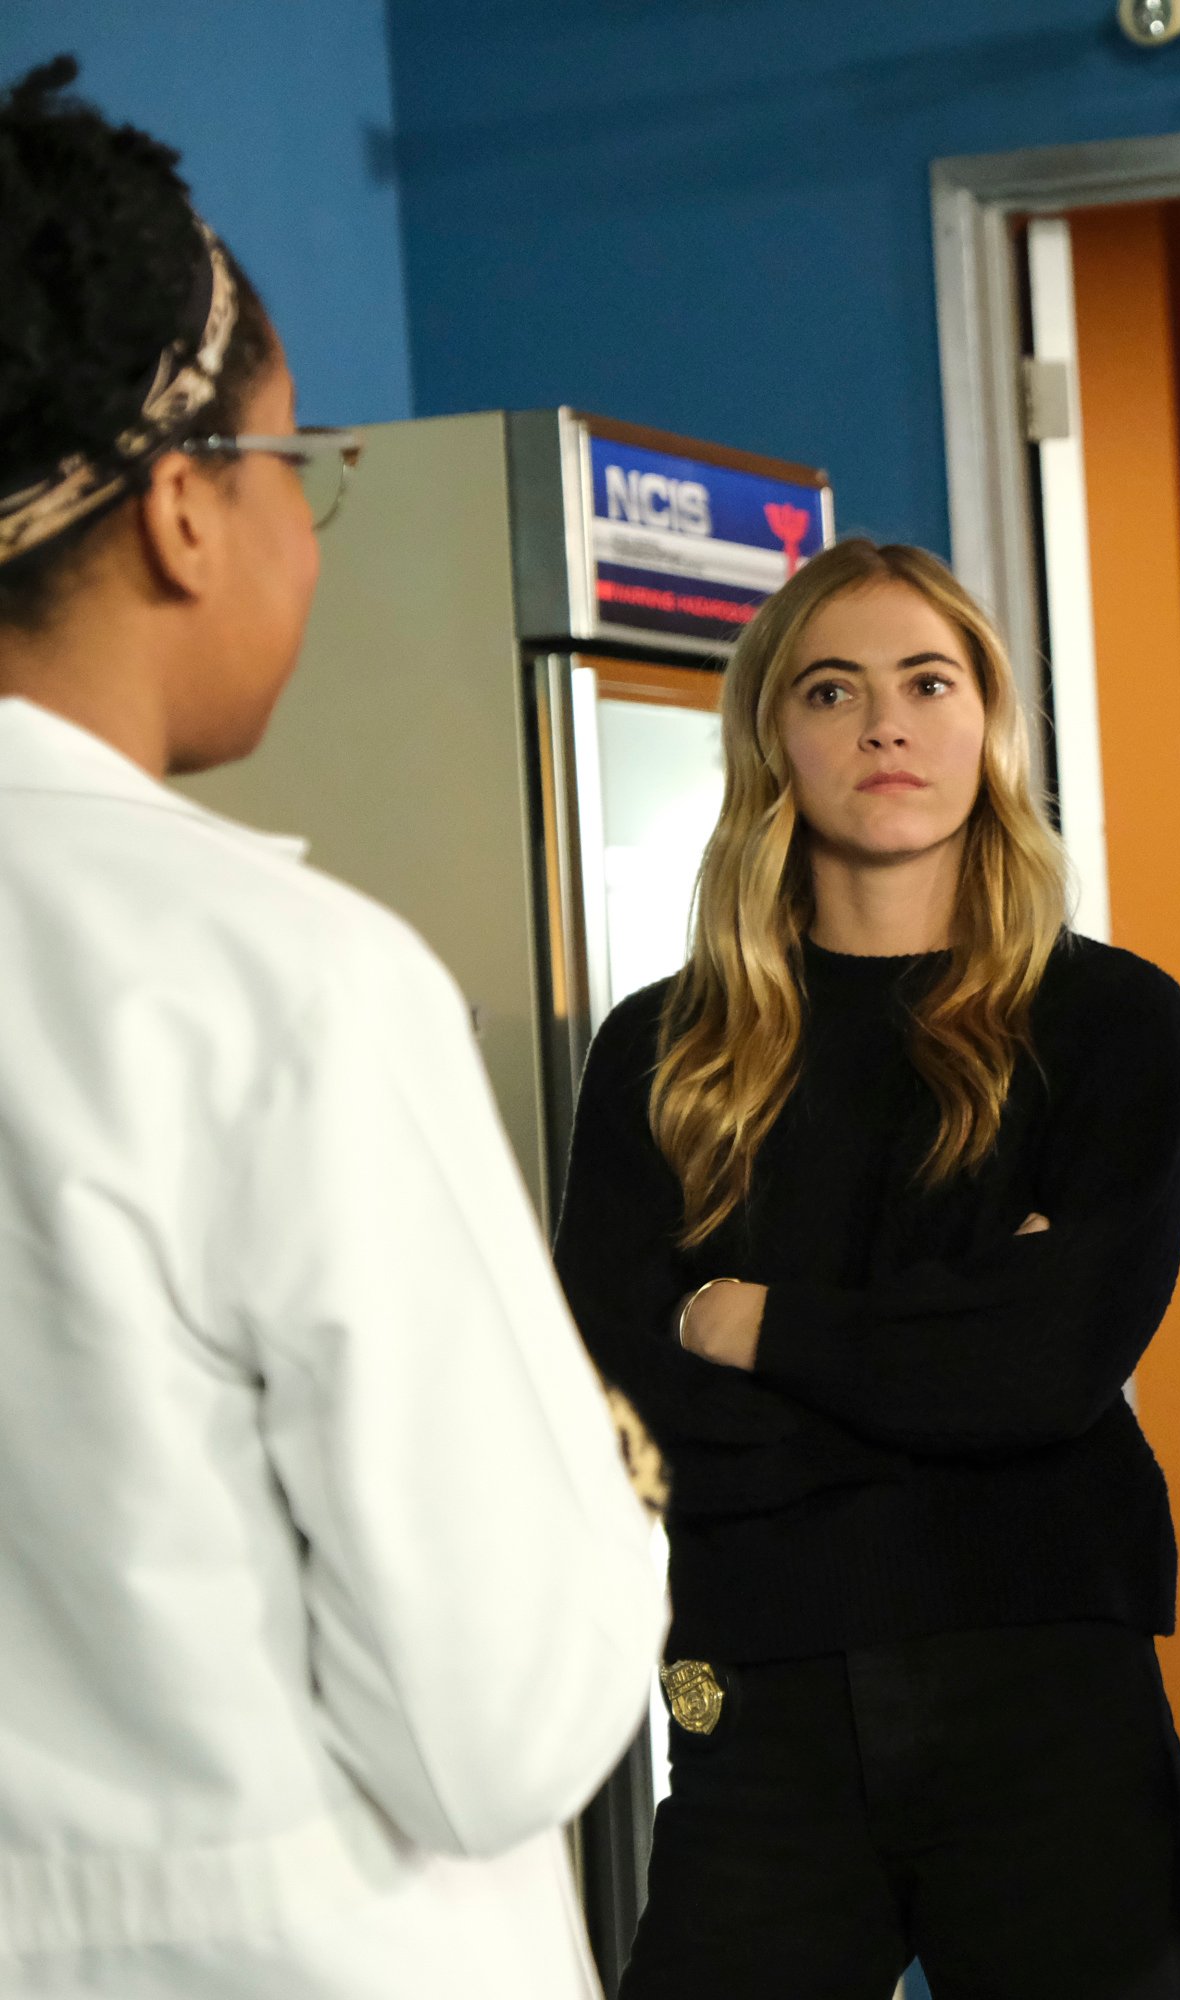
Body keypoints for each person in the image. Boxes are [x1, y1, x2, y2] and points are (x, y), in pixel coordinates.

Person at [0, 55, 665, 2000]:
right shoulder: (276, 985)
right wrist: (614, 1479)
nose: (310, 533)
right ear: (183, 511)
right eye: (300, 469)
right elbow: (498, 1726)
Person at [554, 536, 1180, 1999]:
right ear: (772, 739)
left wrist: (750, 1319)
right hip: (760, 1697)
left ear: (988, 723)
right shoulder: (663, 1050)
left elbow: (1047, 1368)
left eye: (927, 683)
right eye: (831, 690)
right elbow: (625, 1400)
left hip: (1051, 1691)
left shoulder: (1108, 1022)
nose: (885, 727)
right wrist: (948, 1347)